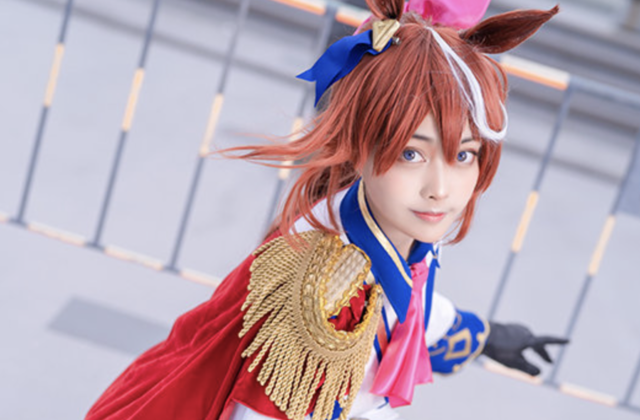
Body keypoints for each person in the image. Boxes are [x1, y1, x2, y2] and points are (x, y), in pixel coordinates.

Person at [85, 1, 566, 419]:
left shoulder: (378, 227)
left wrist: (485, 337)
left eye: (463, 154)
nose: (440, 189)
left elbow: (405, 308)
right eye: (411, 154)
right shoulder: (324, 289)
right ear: (359, 144)